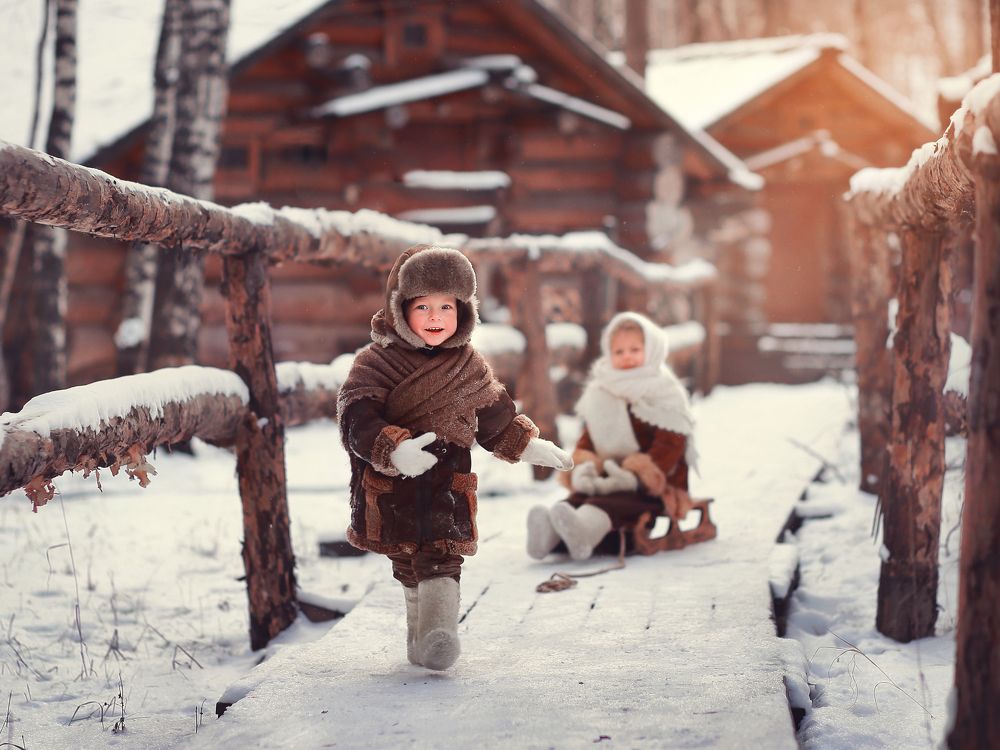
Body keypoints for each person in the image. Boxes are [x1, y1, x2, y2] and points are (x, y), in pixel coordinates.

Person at [337, 243, 572, 671]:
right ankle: (419, 636)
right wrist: (392, 449)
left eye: (446, 306)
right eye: (422, 306)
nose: (435, 318)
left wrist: (529, 446)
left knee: (443, 561)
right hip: (394, 488)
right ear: (398, 308)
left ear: (463, 310)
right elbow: (356, 417)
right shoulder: (374, 363)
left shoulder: (470, 366)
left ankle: (439, 634)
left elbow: (496, 418)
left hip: (447, 485)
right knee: (407, 564)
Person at [526, 311, 697, 561]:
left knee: (616, 501)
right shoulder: (601, 390)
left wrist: (638, 475)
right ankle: (549, 534)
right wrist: (584, 464)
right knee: (580, 497)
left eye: (635, 349)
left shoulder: (665, 391)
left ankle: (583, 533)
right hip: (606, 475)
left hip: (655, 484)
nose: (627, 357)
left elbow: (670, 444)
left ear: (650, 350)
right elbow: (590, 436)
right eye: (619, 352)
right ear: (609, 353)